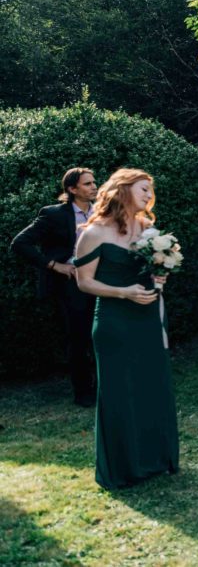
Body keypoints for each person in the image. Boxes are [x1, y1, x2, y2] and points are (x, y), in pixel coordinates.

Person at [73, 168, 179, 489]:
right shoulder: (94, 233)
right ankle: (124, 466)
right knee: (120, 392)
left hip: (147, 319)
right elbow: (84, 282)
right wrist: (123, 292)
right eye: (142, 188)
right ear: (122, 190)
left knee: (152, 386)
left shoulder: (149, 230)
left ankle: (155, 459)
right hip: (115, 321)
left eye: (151, 190)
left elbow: (157, 270)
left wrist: (160, 278)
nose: (149, 194)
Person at [11, 168, 99, 407]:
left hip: (101, 281)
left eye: (94, 182)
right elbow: (20, 243)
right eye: (87, 184)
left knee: (102, 335)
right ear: (72, 189)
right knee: (79, 339)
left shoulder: (101, 211)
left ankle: (106, 386)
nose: (94, 187)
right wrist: (54, 265)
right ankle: (84, 393)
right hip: (70, 284)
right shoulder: (53, 214)